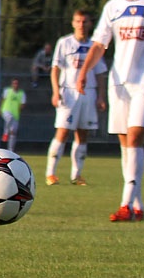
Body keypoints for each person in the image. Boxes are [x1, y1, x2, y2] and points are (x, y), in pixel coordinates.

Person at [76, 0, 144, 222]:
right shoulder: (113, 7)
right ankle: (138, 206)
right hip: (119, 82)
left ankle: (125, 204)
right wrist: (83, 72)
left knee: (135, 137)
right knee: (126, 144)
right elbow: (100, 43)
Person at [44, 10, 108, 186]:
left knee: (83, 134)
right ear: (73, 23)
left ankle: (76, 175)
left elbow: (101, 73)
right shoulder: (64, 43)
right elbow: (55, 68)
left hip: (89, 93)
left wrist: (101, 96)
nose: (81, 24)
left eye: (85, 21)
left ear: (90, 24)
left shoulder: (95, 46)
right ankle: (51, 173)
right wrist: (56, 91)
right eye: (78, 21)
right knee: (63, 131)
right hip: (69, 93)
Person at [0, 78, 26, 151]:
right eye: (14, 83)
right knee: (9, 117)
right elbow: (3, 99)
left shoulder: (21, 93)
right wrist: (0, 109)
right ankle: (5, 133)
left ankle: (11, 150)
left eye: (16, 83)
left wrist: (20, 108)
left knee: (13, 133)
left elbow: (22, 104)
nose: (15, 85)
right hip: (6, 110)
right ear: (12, 84)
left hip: (15, 115)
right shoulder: (7, 91)